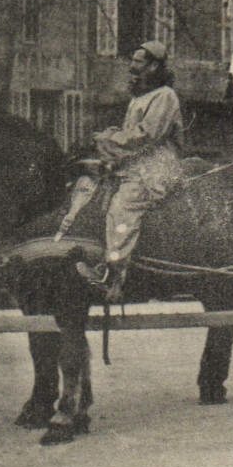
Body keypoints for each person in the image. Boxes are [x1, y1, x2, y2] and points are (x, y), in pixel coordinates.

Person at [75, 41, 184, 295]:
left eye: (138, 62)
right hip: (137, 161)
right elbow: (130, 133)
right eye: (132, 61)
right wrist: (110, 135)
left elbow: (148, 134)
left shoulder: (165, 96)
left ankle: (113, 273)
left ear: (154, 66)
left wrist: (113, 139)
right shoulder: (140, 97)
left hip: (157, 164)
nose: (132, 67)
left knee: (123, 206)